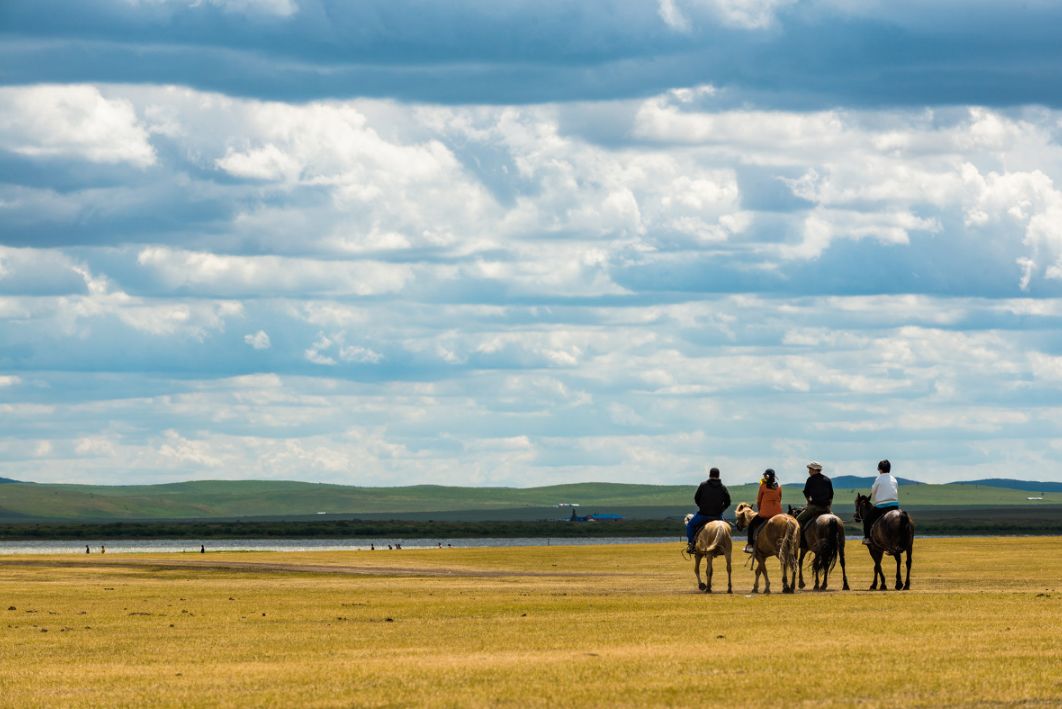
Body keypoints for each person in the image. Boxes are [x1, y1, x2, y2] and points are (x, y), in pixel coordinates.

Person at [685, 466, 731, 554]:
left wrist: (702, 506)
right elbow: (728, 502)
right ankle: (724, 546)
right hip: (717, 516)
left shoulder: (703, 485)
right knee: (726, 529)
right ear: (719, 475)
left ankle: (692, 545)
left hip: (703, 514)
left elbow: (696, 498)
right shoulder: (723, 487)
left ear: (709, 475)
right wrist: (721, 510)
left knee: (690, 525)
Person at [795, 461, 833, 547]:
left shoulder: (810, 479)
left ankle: (800, 541)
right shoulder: (827, 479)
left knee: (797, 521)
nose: (809, 471)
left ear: (815, 470)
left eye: (810, 469)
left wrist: (809, 502)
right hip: (826, 508)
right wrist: (829, 507)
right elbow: (831, 495)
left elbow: (806, 492)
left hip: (814, 507)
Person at [862, 459, 900, 544]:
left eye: (878, 469)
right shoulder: (894, 479)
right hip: (895, 505)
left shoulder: (878, 479)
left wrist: (876, 499)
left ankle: (867, 538)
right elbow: (896, 489)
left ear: (880, 469)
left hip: (882, 506)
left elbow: (873, 491)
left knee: (867, 520)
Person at [745, 469, 782, 554]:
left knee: (751, 525)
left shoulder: (763, 487)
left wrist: (760, 510)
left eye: (765, 476)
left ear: (767, 476)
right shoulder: (779, 487)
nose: (764, 477)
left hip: (765, 513)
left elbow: (759, 501)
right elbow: (779, 500)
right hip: (778, 514)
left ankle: (750, 545)